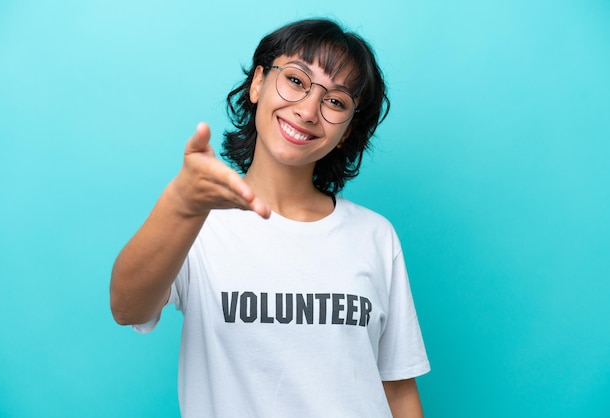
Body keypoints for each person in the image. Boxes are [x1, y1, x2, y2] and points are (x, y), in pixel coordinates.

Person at [110, 18, 430, 418]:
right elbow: (127, 308)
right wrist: (182, 204)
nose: (308, 110)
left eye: (336, 101)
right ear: (258, 83)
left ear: (347, 130)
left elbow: (397, 391)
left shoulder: (375, 236)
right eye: (296, 80)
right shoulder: (198, 221)